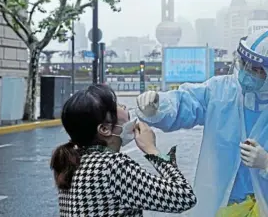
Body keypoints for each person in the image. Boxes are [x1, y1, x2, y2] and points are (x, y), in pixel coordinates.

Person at [136, 27, 268, 217]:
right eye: (244, 63)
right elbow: (186, 102)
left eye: (256, 69)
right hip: (221, 205)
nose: (246, 72)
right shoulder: (221, 92)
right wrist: (158, 106)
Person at [50, 84, 197, 217]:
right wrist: (152, 150)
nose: (125, 107)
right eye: (117, 106)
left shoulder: (74, 160)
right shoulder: (111, 165)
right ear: (104, 129)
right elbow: (184, 198)